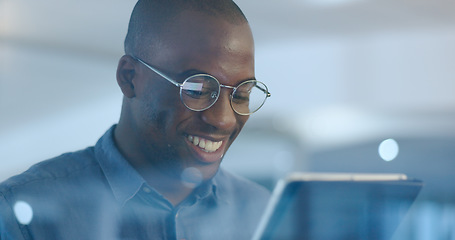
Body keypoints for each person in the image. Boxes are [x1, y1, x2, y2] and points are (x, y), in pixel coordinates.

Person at [0, 0, 272, 239]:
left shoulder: (262, 211)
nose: (223, 120)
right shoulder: (22, 212)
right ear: (129, 78)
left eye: (241, 94)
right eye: (197, 89)